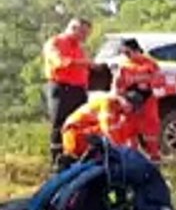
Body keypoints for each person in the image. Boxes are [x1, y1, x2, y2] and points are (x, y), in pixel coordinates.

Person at [43, 18, 94, 164]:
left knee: (79, 122)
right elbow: (59, 62)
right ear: (74, 28)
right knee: (60, 124)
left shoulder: (79, 47)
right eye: (83, 33)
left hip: (79, 90)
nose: (85, 37)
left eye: (87, 34)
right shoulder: (55, 43)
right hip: (62, 88)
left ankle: (74, 155)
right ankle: (57, 160)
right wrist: (82, 63)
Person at [60, 88, 152, 162]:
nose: (131, 112)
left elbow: (121, 135)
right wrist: (120, 152)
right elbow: (106, 129)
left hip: (83, 133)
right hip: (74, 133)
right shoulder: (108, 102)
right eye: (132, 108)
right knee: (108, 137)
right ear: (126, 102)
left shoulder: (118, 111)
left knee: (116, 132)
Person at [113, 39, 163, 161]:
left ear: (136, 50)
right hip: (130, 99)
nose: (126, 55)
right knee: (130, 128)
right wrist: (122, 100)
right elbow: (116, 87)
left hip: (148, 99)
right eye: (123, 53)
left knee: (151, 127)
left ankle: (154, 154)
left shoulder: (150, 63)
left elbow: (159, 80)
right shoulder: (123, 66)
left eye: (127, 52)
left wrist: (147, 81)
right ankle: (132, 156)